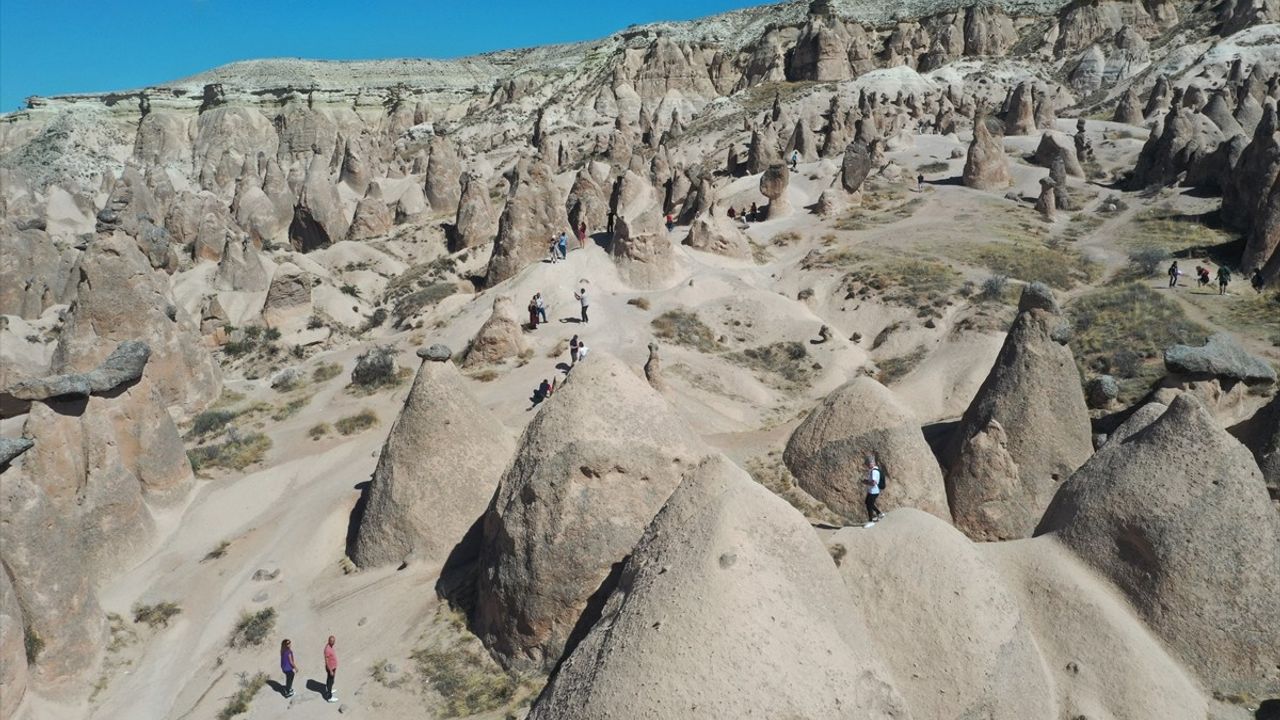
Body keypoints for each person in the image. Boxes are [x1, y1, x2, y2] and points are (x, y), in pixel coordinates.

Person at [862, 455, 884, 524]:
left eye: (868, 464)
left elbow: (873, 483)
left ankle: (870, 521)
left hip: (874, 491)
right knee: (867, 503)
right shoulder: (873, 470)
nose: (867, 465)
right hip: (871, 491)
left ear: (872, 463)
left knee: (869, 505)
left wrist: (866, 482)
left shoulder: (874, 471)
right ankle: (879, 514)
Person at [323, 635, 338, 703]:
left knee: (330, 680)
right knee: (330, 680)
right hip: (330, 668)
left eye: (334, 641)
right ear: (329, 641)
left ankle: (328, 689)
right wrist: (330, 670)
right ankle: (329, 697)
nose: (333, 642)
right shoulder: (327, 649)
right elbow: (326, 661)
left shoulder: (330, 646)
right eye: (332, 641)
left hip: (333, 667)